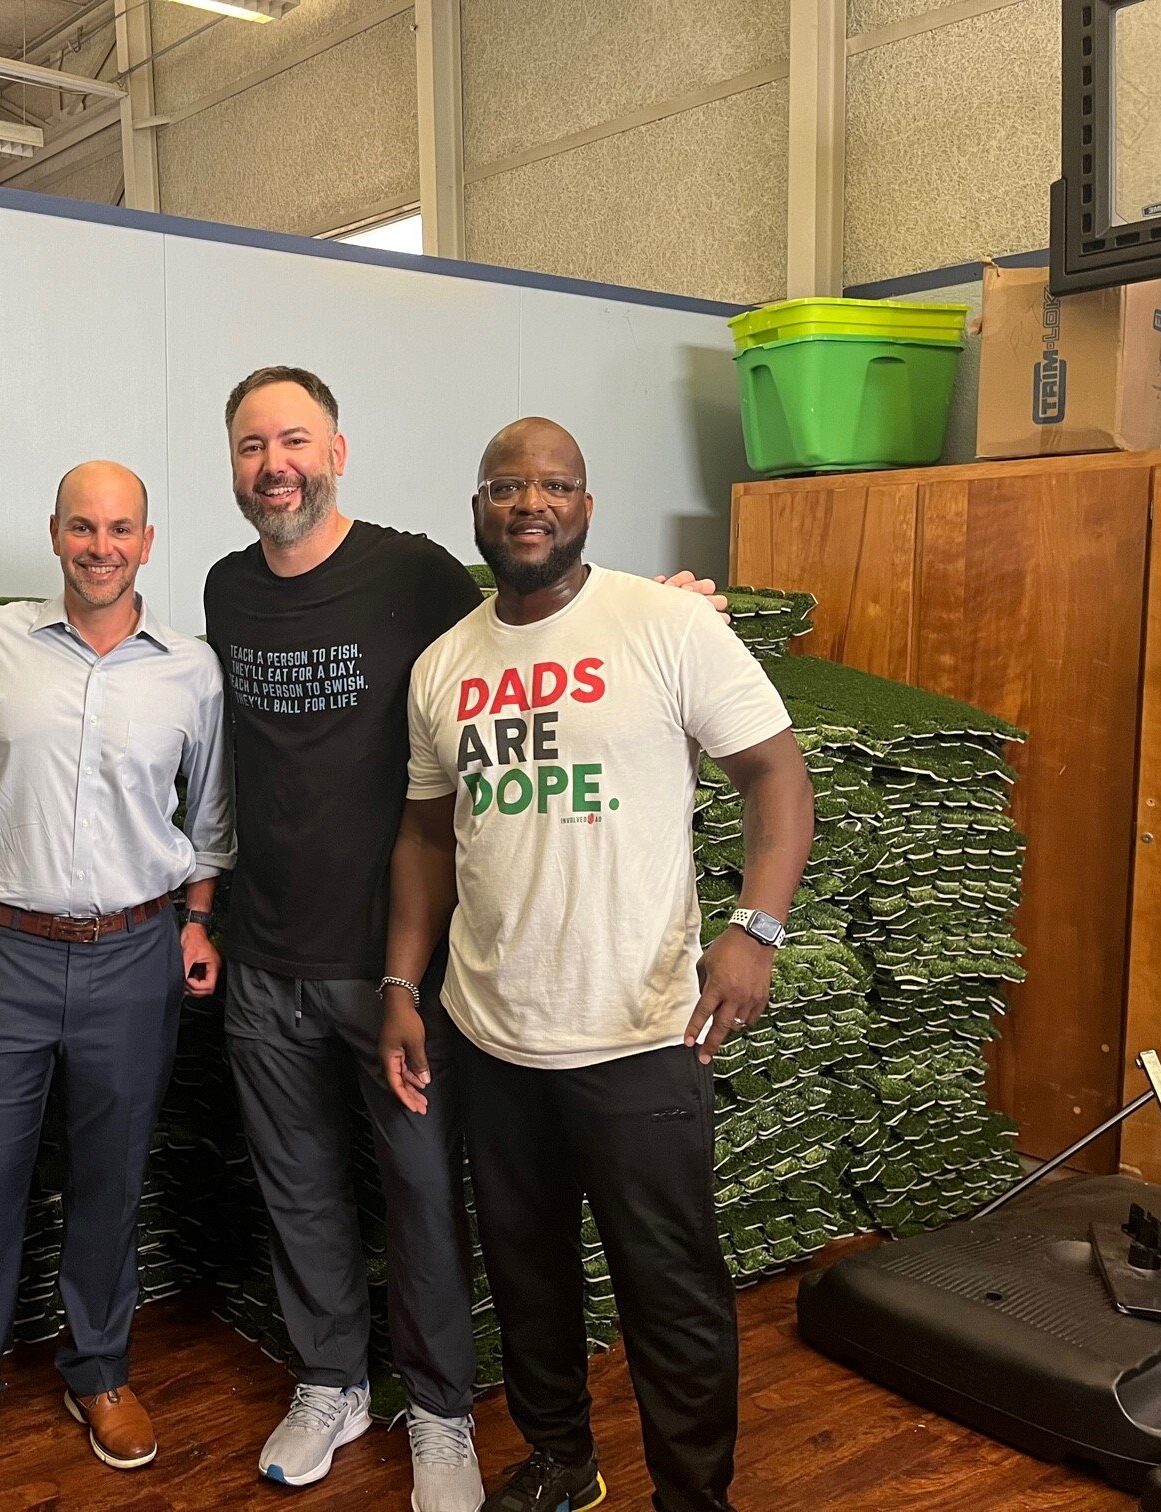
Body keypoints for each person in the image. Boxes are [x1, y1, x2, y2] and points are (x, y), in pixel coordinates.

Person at [201, 367, 727, 1512]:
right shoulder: (225, 591)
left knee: (424, 1199)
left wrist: (670, 608)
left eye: (294, 439)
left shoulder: (419, 574)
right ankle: (332, 1382)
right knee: (299, 1193)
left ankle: (441, 1416)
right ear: (232, 463)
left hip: (399, 969)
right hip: (265, 957)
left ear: (337, 450)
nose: (273, 463)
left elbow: (538, 618)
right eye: (251, 445)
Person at [379, 418, 814, 1512]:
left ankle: (691, 1498)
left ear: (586, 503)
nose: (531, 504)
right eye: (507, 487)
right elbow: (428, 839)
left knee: (670, 1291)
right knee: (527, 1285)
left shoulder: (664, 625)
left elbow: (777, 777)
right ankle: (562, 1460)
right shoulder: (444, 667)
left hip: (640, 1035)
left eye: (556, 486)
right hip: (492, 1037)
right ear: (476, 509)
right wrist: (400, 985)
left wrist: (755, 929)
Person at [0, 461, 233, 1512]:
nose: (101, 545)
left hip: (136, 956)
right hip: (2, 954)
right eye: (83, 527)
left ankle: (100, 1371)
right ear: (55, 535)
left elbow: (212, 818)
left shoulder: (192, 669)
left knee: (109, 1176)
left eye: (120, 528)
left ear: (147, 540)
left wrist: (197, 922)